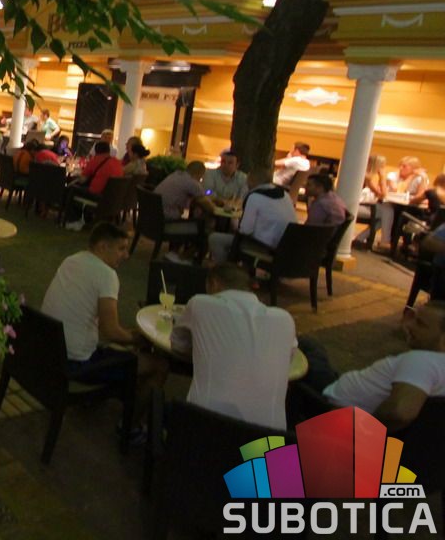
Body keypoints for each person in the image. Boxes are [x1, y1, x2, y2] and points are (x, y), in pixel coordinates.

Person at [40, 223, 168, 437]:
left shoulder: (72, 260)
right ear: (102, 247)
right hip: (76, 363)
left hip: (51, 349)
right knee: (159, 365)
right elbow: (111, 331)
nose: (126, 255)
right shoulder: (106, 275)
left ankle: (111, 396)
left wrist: (130, 337)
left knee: (126, 353)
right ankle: (130, 428)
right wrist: (138, 339)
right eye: (121, 248)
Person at [170, 264, 297, 430]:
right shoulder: (285, 319)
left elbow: (178, 345)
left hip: (207, 430)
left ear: (214, 283)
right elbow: (288, 359)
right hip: (270, 439)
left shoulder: (200, 304)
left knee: (169, 412)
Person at [309, 301, 445, 430]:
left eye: (420, 324)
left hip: (330, 405)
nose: (409, 325)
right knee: (312, 349)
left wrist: (364, 429)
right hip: (341, 391)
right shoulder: (435, 363)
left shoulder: (421, 361)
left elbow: (401, 413)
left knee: (306, 347)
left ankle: (292, 444)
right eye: (413, 318)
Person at [208, 169, 297, 265]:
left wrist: (236, 227)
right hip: (287, 247)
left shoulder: (255, 197)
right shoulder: (285, 195)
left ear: (252, 181)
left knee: (215, 239)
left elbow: (245, 230)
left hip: (264, 246)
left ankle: (225, 270)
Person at [63, 141, 125, 230]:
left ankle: (73, 220)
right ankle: (84, 218)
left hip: (97, 195)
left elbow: (83, 179)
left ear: (95, 151)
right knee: (75, 188)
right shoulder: (117, 162)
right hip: (112, 197)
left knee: (72, 189)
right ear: (108, 150)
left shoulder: (95, 160)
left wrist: (77, 175)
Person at [377, 156, 431, 252]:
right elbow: (397, 190)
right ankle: (390, 243)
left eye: (404, 166)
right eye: (400, 165)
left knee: (401, 214)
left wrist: (423, 177)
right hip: (396, 205)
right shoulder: (393, 175)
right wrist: (411, 177)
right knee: (392, 210)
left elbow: (421, 196)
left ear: (414, 168)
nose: (400, 168)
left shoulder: (420, 178)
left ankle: (399, 244)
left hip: (414, 208)